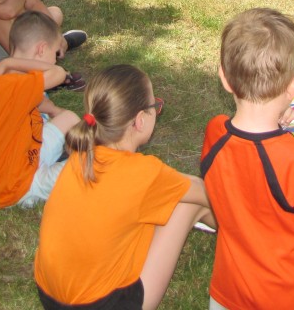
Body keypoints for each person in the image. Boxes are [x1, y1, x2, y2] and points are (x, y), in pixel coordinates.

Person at [34, 64, 217, 310]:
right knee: (189, 205)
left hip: (49, 296)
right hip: (102, 305)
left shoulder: (82, 155)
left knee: (158, 205)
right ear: (140, 120)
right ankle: (238, 237)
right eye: (155, 106)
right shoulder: (144, 173)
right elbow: (207, 193)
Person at [202, 8, 294, 310]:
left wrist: (277, 126)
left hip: (227, 293)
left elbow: (252, 165)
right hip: (290, 298)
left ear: (224, 78)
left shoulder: (215, 134)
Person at [0, 11, 80, 208]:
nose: (55, 61)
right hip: (21, 183)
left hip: (29, 150)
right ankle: (70, 161)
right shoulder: (14, 84)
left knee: (69, 117)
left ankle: (67, 155)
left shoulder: (3, 81)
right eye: (55, 54)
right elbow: (58, 73)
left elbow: (38, 101)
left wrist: (55, 111)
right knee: (91, 166)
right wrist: (8, 61)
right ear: (41, 49)